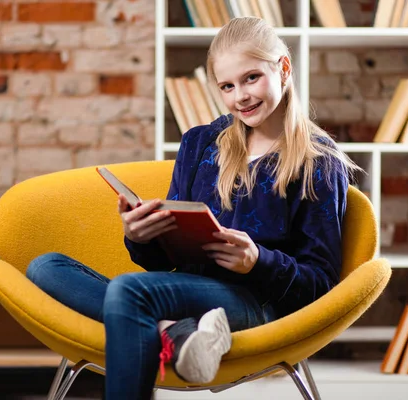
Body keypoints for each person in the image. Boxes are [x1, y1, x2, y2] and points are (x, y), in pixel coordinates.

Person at [26, 16, 362, 400]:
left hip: (256, 302)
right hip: (188, 292)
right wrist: (140, 237)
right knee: (45, 267)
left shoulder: (319, 162)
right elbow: (162, 264)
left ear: (283, 68)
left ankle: (167, 327)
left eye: (251, 78)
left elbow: (321, 285)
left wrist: (258, 261)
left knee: (131, 293)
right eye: (227, 86)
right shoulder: (201, 143)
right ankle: (175, 332)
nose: (241, 97)